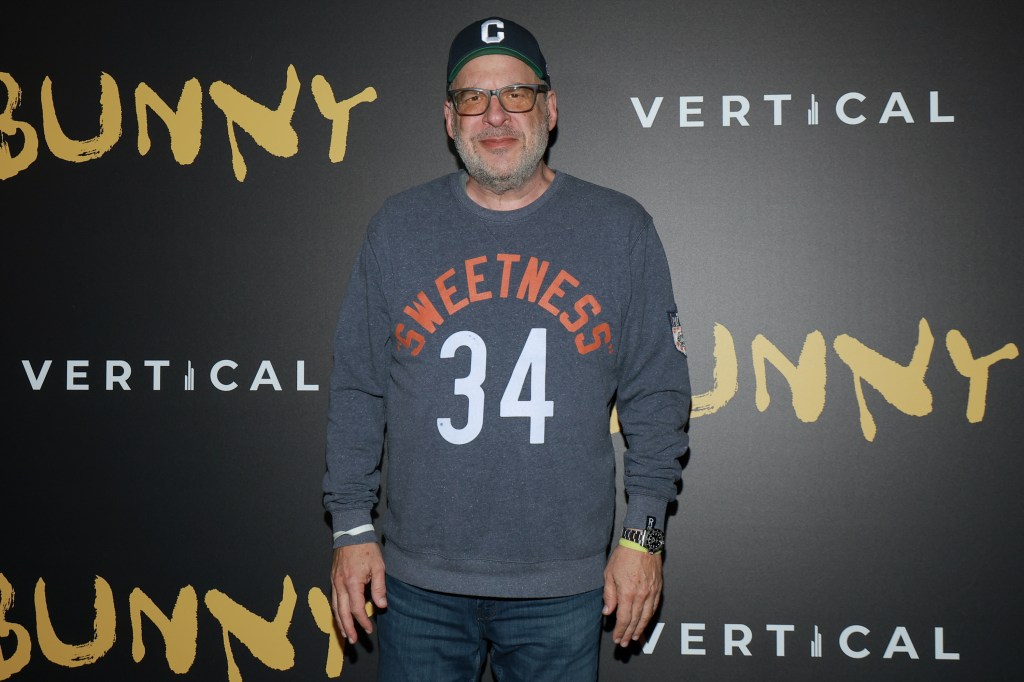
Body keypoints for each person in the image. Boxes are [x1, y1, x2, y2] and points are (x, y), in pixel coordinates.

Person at [324, 16, 691, 681]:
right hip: (416, 584)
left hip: (562, 584)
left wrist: (644, 536)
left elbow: (657, 396)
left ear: (550, 108)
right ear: (449, 118)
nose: (495, 115)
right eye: (473, 98)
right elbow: (358, 388)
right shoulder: (398, 228)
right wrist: (351, 528)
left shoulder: (619, 229)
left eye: (516, 94)